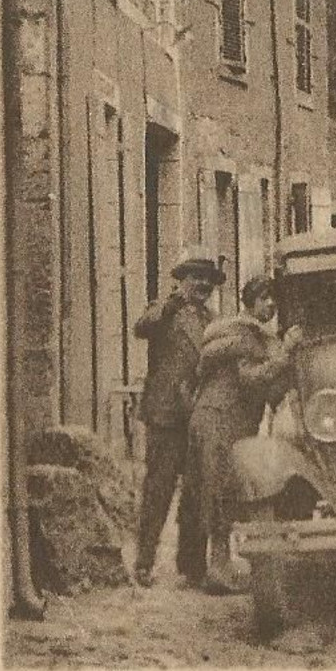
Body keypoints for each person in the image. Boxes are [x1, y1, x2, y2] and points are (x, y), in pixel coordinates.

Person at [188, 276, 301, 595]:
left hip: (221, 418)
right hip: (221, 419)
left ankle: (214, 567)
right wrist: (285, 354)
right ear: (249, 303)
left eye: (273, 300)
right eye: (264, 298)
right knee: (221, 490)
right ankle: (217, 570)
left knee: (220, 489)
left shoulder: (251, 334)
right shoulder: (245, 334)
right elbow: (251, 379)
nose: (270, 305)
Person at [132, 246, 223, 588]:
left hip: (198, 417)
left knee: (197, 492)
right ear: (182, 281)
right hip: (166, 416)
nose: (203, 285)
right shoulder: (164, 310)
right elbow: (141, 327)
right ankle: (144, 563)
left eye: (208, 280)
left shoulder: (213, 322)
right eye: (196, 278)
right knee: (158, 490)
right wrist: (172, 304)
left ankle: (192, 565)